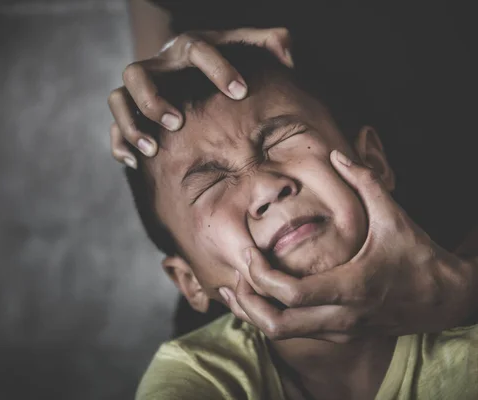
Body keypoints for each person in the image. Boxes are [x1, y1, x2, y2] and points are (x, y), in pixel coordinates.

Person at [124, 42, 478, 400]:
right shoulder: (196, 377)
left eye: (282, 140)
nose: (266, 189)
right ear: (190, 282)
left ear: (372, 161)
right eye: (212, 184)